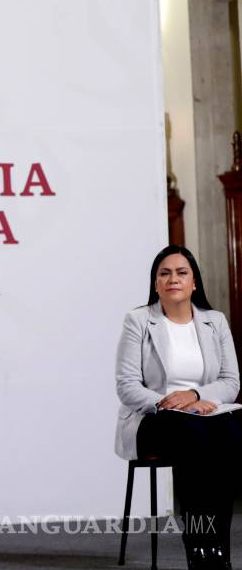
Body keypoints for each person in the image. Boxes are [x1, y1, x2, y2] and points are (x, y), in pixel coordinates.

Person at [116, 244, 242, 569]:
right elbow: (127, 386)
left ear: (194, 282)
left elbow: (230, 382)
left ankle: (217, 549)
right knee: (194, 435)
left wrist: (195, 396)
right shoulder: (138, 320)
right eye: (165, 273)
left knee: (229, 433)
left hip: (205, 415)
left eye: (181, 272)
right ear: (156, 283)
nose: (173, 278)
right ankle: (199, 547)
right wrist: (170, 402)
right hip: (154, 418)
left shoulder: (215, 321)